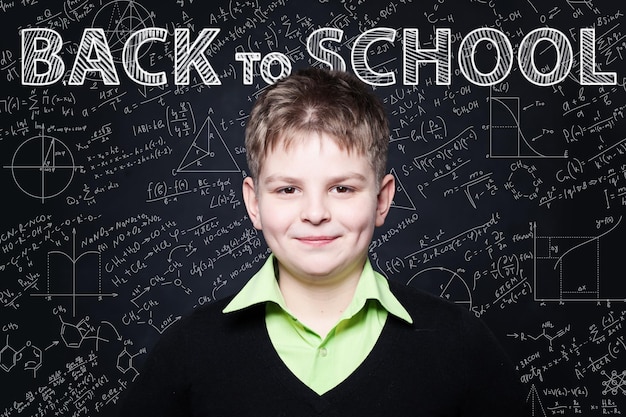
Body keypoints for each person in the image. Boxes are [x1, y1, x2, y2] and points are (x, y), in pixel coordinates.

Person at [118, 68, 528, 416]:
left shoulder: (459, 345)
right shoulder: (190, 349)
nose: (315, 213)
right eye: (287, 190)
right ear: (254, 203)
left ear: (382, 200)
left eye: (343, 189)